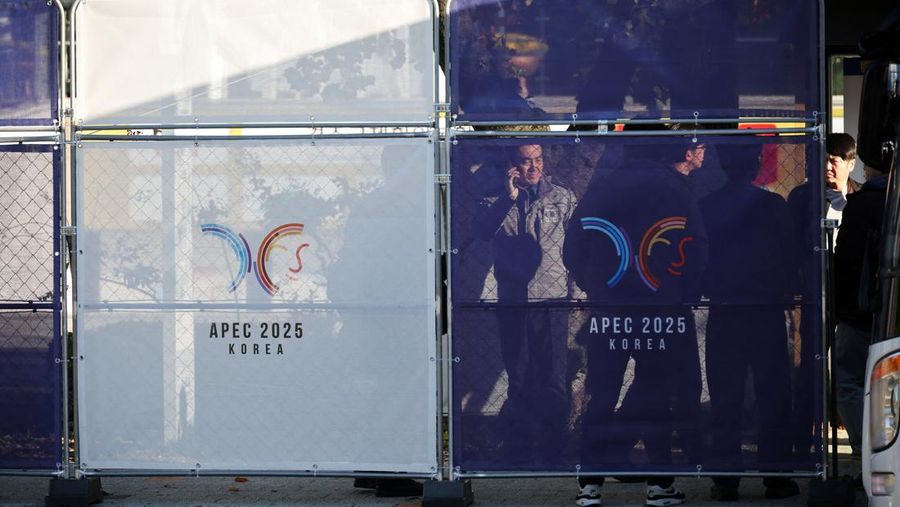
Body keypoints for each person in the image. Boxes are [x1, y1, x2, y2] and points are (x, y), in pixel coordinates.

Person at [564, 133, 708, 507]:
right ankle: (659, 486)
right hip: (660, 310)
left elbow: (573, 247)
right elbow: (697, 247)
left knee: (602, 394)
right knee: (656, 394)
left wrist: (598, 288)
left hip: (611, 312)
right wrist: (679, 292)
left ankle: (589, 487)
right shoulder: (675, 189)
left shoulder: (602, 188)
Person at [700, 144, 800, 501]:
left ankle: (725, 479)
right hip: (766, 309)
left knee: (725, 395)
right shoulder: (773, 206)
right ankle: (776, 475)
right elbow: (790, 257)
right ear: (757, 163)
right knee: (773, 393)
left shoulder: (706, 207)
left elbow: (700, 259)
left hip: (726, 310)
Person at [475, 143, 577, 464]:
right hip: (515, 301)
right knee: (518, 376)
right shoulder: (495, 199)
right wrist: (509, 198)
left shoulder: (562, 198)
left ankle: (555, 444)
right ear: (511, 165)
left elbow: (578, 245)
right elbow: (481, 231)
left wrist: (578, 293)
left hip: (553, 299)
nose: (533, 167)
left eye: (538, 160)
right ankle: (521, 445)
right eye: (525, 161)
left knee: (553, 378)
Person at [834, 162, 889, 457]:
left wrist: (838, 309)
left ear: (866, 167)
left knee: (850, 382)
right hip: (892, 313)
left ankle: (865, 449)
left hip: (858, 312)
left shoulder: (859, 205)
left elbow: (846, 262)